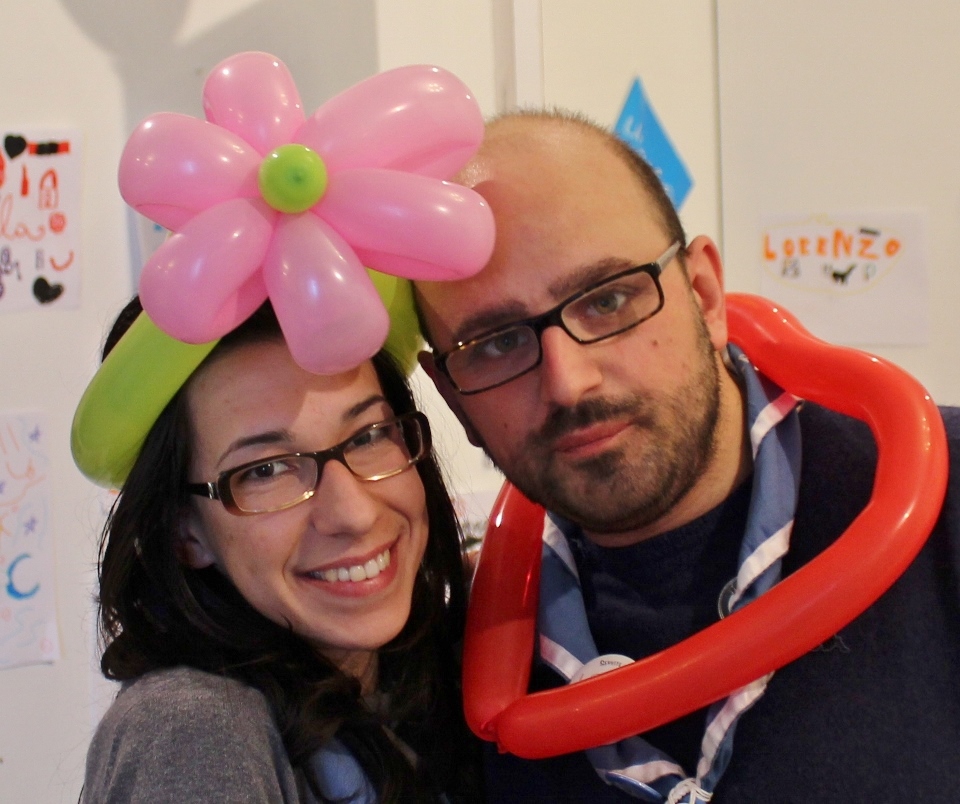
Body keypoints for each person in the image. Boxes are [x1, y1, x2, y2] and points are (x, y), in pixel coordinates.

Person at [413, 109, 960, 802]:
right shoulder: (451, 660)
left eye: (608, 300)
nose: (569, 382)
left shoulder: (945, 502)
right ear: (453, 397)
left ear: (704, 295)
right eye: (496, 344)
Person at [79, 298, 483, 802]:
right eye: (265, 470)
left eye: (369, 436)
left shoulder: (423, 680)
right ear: (185, 532)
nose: (355, 514)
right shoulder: (194, 730)